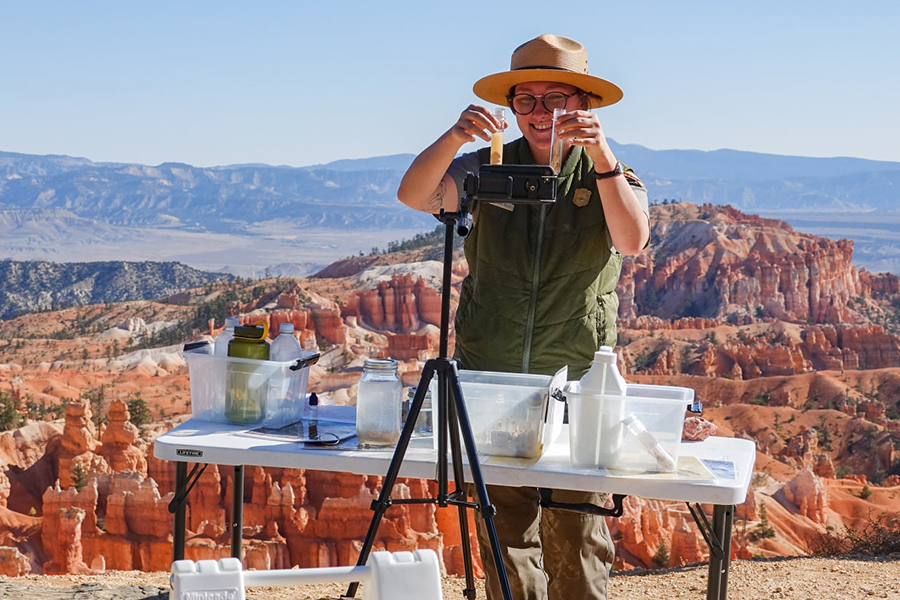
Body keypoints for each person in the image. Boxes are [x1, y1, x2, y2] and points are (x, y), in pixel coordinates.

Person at [397, 34, 650, 600]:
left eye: (556, 98)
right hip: (493, 374)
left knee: (578, 540)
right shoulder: (484, 168)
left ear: (583, 105)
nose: (541, 113)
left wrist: (603, 160)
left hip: (580, 381)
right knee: (504, 538)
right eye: (526, 101)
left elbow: (632, 240)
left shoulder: (611, 174)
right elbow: (416, 194)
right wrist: (455, 136)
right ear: (512, 109)